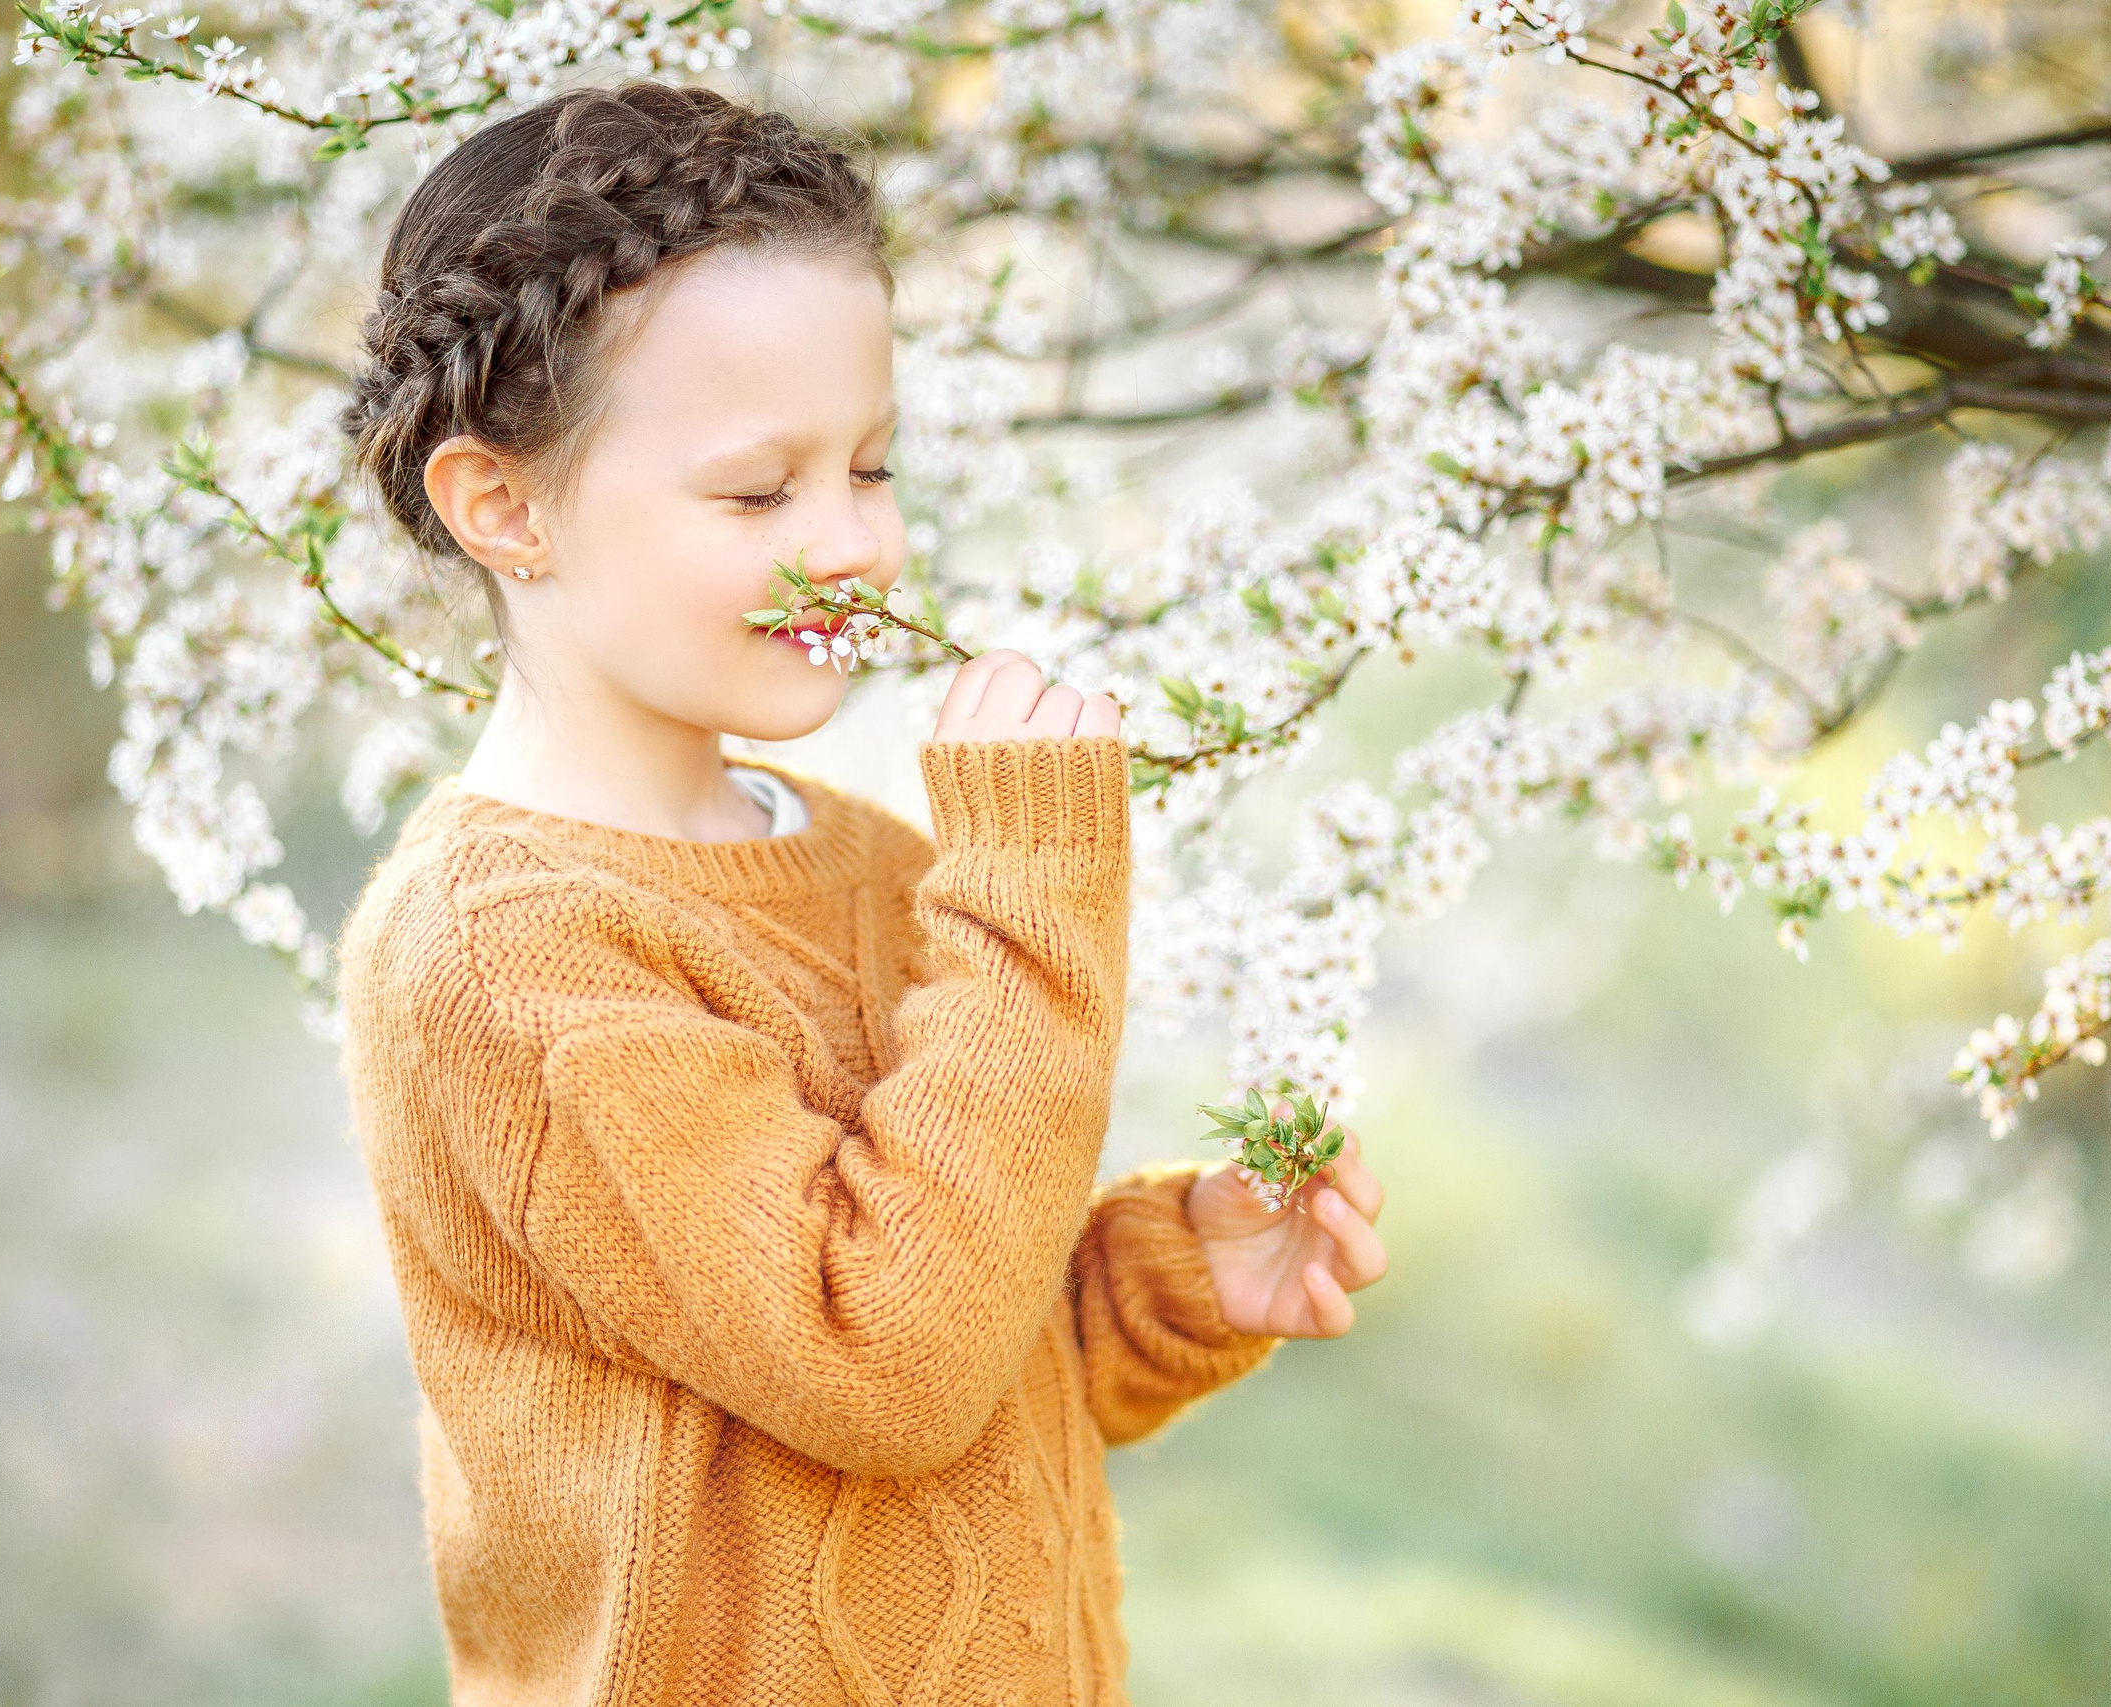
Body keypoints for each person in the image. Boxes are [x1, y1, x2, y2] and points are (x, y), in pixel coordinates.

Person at [332, 79, 1388, 1706]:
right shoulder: (505, 952)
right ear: (505, 506)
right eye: (760, 494)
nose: (851, 548)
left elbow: (954, 1376)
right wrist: (1031, 888)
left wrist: (1161, 1278)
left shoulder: (869, 860)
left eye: (873, 470)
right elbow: (880, 1359)